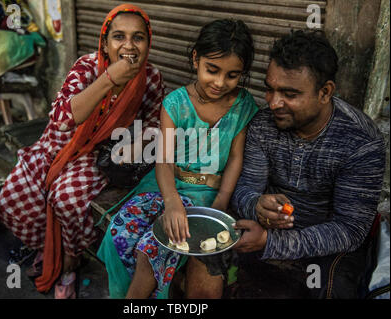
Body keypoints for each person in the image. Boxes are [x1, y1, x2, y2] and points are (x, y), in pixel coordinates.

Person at [0, 4, 164, 298]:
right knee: (11, 200)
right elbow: (62, 119)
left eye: (138, 38)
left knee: (67, 199)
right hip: (58, 145)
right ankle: (48, 249)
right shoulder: (87, 67)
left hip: (96, 156)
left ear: (148, 43)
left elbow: (152, 125)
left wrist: (132, 148)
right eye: (119, 37)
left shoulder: (150, 78)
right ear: (105, 41)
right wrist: (110, 79)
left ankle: (70, 264)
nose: (128, 45)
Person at [98, 19, 258, 299]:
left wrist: (220, 204)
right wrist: (171, 202)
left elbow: (235, 158)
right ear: (196, 59)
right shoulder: (176, 103)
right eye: (212, 70)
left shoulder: (243, 106)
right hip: (164, 186)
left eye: (233, 75)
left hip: (206, 197)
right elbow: (164, 161)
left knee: (155, 247)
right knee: (120, 231)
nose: (220, 83)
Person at [231, 29, 386, 299]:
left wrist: (272, 243)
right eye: (269, 89)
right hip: (266, 230)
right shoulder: (262, 125)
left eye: (289, 93)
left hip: (329, 245)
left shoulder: (361, 141)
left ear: (325, 92)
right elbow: (244, 189)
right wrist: (256, 205)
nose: (274, 102)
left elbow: (349, 230)